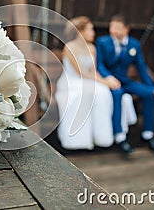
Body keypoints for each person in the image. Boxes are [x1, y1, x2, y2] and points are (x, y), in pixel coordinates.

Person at [55, 16, 137, 150]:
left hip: (89, 80)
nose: (93, 32)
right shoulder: (70, 47)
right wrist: (104, 81)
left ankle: (102, 137)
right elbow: (81, 73)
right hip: (73, 81)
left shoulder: (92, 48)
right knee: (83, 95)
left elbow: (93, 71)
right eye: (90, 30)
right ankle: (78, 140)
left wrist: (106, 81)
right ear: (80, 32)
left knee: (102, 93)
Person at [96, 14, 154, 155]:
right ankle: (119, 136)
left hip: (126, 81)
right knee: (117, 94)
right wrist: (109, 78)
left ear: (126, 29)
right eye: (111, 27)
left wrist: (152, 88)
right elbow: (100, 65)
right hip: (110, 82)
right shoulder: (102, 42)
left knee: (149, 94)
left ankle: (148, 134)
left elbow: (142, 68)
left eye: (117, 28)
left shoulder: (134, 45)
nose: (113, 31)